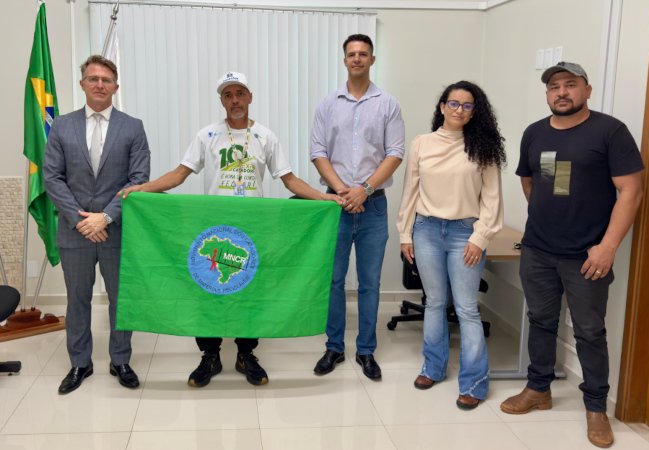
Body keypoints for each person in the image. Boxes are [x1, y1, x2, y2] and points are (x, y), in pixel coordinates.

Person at [121, 71, 341, 387]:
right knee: (208, 288)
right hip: (215, 228)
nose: (235, 100)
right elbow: (180, 174)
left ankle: (245, 354)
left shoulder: (265, 136)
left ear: (250, 97)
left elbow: (289, 179)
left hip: (252, 229)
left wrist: (324, 197)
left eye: (240, 93)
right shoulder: (207, 135)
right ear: (222, 101)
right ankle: (209, 355)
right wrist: (143, 188)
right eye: (228, 95)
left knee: (250, 290)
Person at [500, 62, 644, 448]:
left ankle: (596, 407)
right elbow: (533, 182)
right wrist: (548, 219)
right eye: (554, 86)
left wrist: (608, 247)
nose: (561, 92)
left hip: (587, 256)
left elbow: (631, 191)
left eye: (570, 84)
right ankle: (538, 389)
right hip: (538, 250)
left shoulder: (610, 131)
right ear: (547, 93)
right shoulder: (535, 133)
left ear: (587, 90)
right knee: (540, 321)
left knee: (590, 331)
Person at [44, 55, 151, 394]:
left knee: (121, 299)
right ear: (83, 84)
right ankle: (80, 363)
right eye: (93, 79)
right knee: (78, 300)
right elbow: (52, 178)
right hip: (74, 231)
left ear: (116, 87)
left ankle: (120, 360)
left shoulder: (133, 127)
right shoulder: (61, 126)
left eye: (106, 80)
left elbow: (139, 179)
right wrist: (82, 221)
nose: (100, 85)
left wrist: (105, 217)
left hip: (117, 230)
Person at [397, 81, 505, 409]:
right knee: (434, 302)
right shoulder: (422, 143)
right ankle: (433, 367)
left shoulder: (483, 148)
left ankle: (474, 383)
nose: (459, 109)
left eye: (467, 105)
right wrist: (405, 233)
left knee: (467, 308)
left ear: (474, 112)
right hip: (426, 230)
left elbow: (492, 199)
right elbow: (411, 191)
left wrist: (480, 237)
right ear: (442, 107)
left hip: (464, 234)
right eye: (453, 103)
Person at [310, 34, 405, 381]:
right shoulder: (328, 104)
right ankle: (334, 347)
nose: (357, 59)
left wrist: (364, 190)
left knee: (369, 283)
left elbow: (395, 153)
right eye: (351, 54)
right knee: (333, 281)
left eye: (363, 53)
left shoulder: (388, 104)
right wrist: (342, 191)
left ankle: (366, 350)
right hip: (334, 206)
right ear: (344, 60)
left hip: (373, 206)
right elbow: (318, 152)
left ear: (372, 60)